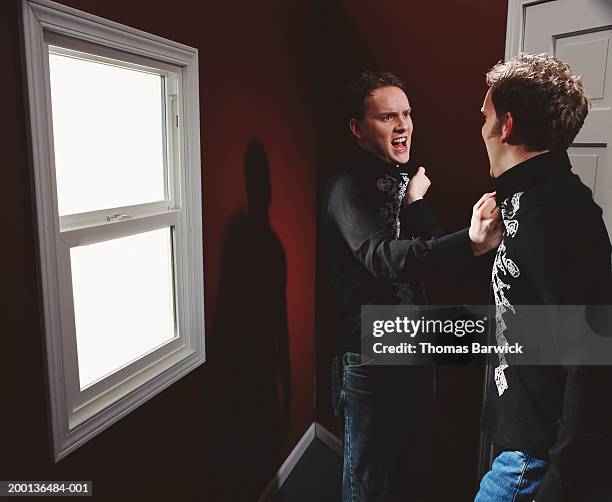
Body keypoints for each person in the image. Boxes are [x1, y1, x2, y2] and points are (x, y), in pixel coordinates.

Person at [320, 70, 502, 502]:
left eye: (406, 114)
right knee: (368, 482)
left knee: (411, 462)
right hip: (367, 351)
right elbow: (383, 258)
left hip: (415, 338)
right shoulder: (347, 188)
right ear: (358, 128)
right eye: (387, 118)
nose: (402, 126)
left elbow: (431, 258)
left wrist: (416, 202)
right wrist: (472, 242)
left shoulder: (405, 180)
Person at [476, 53, 612, 502]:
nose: (481, 129)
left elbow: (593, 361)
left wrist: (561, 482)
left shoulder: (556, 216)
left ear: (507, 126)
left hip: (532, 465)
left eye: (486, 116)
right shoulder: (525, 199)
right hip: (520, 441)